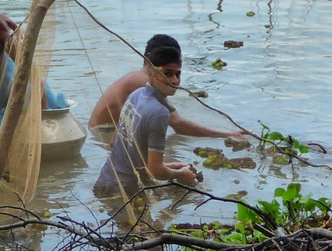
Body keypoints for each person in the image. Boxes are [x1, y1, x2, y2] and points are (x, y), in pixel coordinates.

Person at [88, 34, 244, 139]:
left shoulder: (141, 78)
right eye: (168, 71)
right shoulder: (142, 81)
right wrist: (228, 134)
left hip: (105, 133)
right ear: (150, 59)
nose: (175, 80)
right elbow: (179, 124)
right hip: (103, 134)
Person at [93, 44, 199, 198]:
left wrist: (169, 166)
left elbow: (113, 143)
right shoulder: (160, 113)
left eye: (178, 74)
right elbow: (156, 172)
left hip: (105, 182)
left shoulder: (136, 94)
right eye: (167, 74)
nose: (175, 80)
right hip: (125, 192)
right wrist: (179, 174)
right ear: (151, 73)